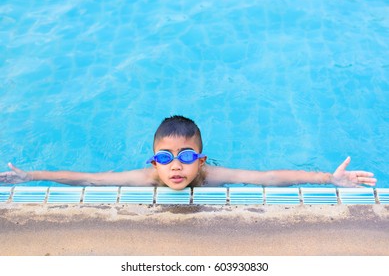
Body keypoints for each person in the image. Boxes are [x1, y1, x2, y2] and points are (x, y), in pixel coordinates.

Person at [0, 115, 377, 190]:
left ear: (202, 159)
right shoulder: (145, 178)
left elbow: (270, 178)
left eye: (186, 156)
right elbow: (87, 178)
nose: (176, 165)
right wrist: (30, 176)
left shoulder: (212, 175)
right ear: (153, 161)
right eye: (165, 158)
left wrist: (330, 180)